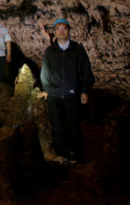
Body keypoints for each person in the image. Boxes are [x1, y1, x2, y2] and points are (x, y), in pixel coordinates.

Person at [40, 18, 95, 164]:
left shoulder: (77, 50)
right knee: (57, 126)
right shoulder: (50, 51)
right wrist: (48, 90)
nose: (61, 31)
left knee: (74, 125)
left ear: (69, 31)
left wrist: (84, 91)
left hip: (73, 94)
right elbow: (45, 72)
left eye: (64, 28)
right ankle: (62, 154)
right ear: (55, 32)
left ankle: (76, 153)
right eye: (58, 29)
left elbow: (87, 72)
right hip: (55, 96)